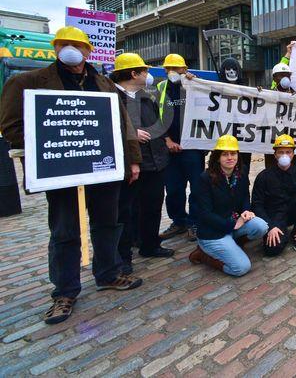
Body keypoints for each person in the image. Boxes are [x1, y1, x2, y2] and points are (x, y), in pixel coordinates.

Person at [0, 26, 143, 325]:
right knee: (65, 232)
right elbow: (12, 127)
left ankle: (107, 273)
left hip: (105, 170)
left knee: (107, 223)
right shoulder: (27, 82)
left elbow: (124, 126)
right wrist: (58, 145)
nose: (71, 49)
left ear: (89, 51)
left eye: (77, 45)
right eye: (64, 44)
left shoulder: (104, 84)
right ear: (55, 48)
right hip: (63, 174)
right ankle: (64, 291)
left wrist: (132, 161)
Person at [111, 53, 174, 275]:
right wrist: (129, 133)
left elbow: (158, 125)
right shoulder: (110, 98)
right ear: (133, 73)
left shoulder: (147, 98)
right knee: (125, 212)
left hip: (155, 163)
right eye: (144, 71)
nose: (148, 75)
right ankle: (123, 256)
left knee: (153, 206)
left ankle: (150, 245)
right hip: (130, 166)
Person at [189, 135, 268, 276]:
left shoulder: (241, 171)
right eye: (225, 154)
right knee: (241, 268)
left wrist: (245, 211)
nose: (230, 158)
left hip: (233, 223)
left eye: (233, 153)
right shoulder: (205, 179)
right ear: (217, 157)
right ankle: (203, 255)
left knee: (261, 226)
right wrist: (232, 225)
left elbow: (244, 196)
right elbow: (204, 214)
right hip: (213, 232)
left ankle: (234, 243)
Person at [157, 53, 205, 243]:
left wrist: (197, 81)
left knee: (197, 188)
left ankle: (194, 222)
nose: (172, 72)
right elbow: (155, 118)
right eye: (168, 69)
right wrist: (167, 140)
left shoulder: (194, 85)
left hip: (193, 147)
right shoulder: (161, 88)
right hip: (170, 148)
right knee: (174, 188)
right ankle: (179, 221)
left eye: (176, 69)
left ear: (185, 70)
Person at [251, 134, 296, 255]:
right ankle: (282, 235)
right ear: (275, 155)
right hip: (274, 217)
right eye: (281, 152)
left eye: (288, 152)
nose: (284, 155)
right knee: (272, 250)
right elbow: (256, 204)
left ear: (293, 154)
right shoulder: (263, 176)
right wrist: (269, 226)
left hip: (293, 212)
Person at [218, 58, 252, 177]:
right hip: (223, 140)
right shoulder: (215, 89)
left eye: (234, 69)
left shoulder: (249, 91)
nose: (231, 72)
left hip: (243, 141)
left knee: (243, 175)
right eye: (228, 69)